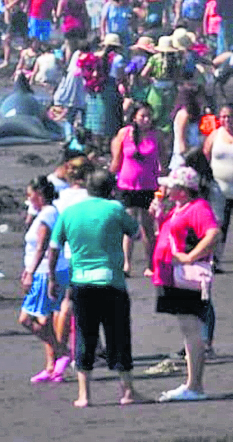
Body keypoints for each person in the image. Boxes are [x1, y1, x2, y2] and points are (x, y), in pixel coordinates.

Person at [46, 167, 141, 408]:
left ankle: (84, 395)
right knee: (119, 336)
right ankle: (127, 391)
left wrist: (51, 278)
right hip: (112, 282)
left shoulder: (70, 212)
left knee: (84, 337)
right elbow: (136, 233)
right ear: (110, 190)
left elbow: (55, 246)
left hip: (81, 282)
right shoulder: (114, 209)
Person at [150, 165, 220, 402]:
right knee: (188, 330)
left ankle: (195, 385)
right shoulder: (181, 208)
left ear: (182, 190)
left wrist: (190, 257)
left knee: (192, 331)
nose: (166, 188)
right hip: (173, 275)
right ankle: (192, 384)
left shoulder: (198, 208)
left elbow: (213, 233)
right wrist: (159, 215)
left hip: (186, 276)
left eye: (171, 186)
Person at [18, 175, 70, 383]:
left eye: (31, 196)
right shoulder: (47, 213)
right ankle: (51, 367)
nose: (29, 200)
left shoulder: (47, 215)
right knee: (44, 320)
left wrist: (31, 271)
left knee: (26, 319)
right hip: (48, 270)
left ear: (39, 195)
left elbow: (43, 246)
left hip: (44, 272)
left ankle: (63, 352)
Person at [109, 103, 160, 277]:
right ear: (134, 117)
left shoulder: (156, 135)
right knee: (129, 226)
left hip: (148, 186)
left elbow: (164, 159)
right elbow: (116, 160)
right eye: (142, 116)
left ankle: (151, 265)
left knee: (147, 227)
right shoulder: (125, 134)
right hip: (127, 185)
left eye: (148, 116)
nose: (146, 120)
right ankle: (126, 265)